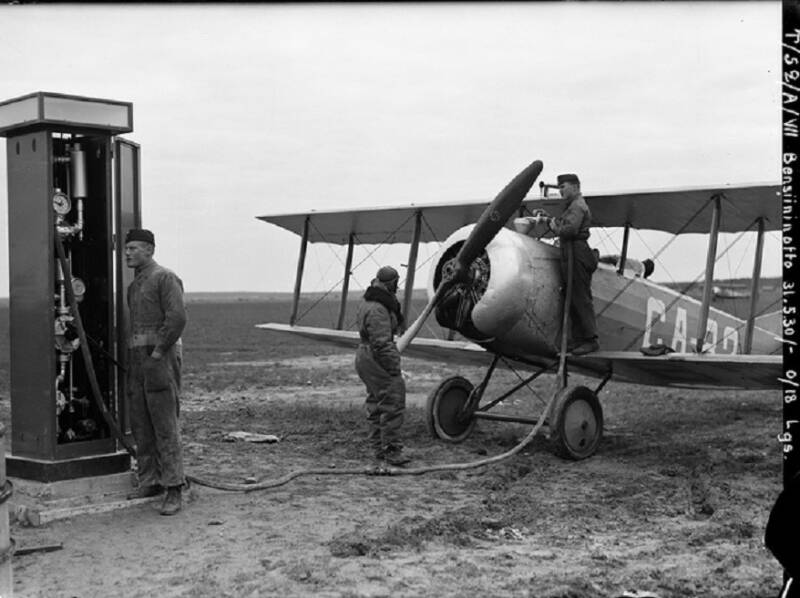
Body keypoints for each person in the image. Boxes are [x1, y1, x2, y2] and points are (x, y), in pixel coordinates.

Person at [124, 228, 188, 515]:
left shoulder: (165, 278)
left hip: (160, 358)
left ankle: (173, 488)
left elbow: (177, 319)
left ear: (149, 250)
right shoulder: (134, 286)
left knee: (164, 423)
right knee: (141, 422)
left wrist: (159, 352)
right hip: (139, 361)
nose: (127, 253)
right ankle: (149, 480)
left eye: (133, 248)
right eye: (126, 248)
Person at [354, 266, 410, 466]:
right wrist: (394, 366)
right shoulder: (378, 308)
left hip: (365, 355)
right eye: (396, 283)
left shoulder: (368, 301)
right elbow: (381, 343)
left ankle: (378, 448)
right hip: (375, 356)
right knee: (393, 400)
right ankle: (392, 450)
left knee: (376, 402)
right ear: (391, 283)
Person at [546, 173, 600, 356]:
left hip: (577, 252)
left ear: (575, 187)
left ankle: (590, 340)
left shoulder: (577, 206)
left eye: (563, 187)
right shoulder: (573, 206)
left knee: (580, 296)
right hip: (570, 252)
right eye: (559, 187)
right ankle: (577, 340)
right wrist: (552, 221)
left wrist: (554, 227)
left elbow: (569, 230)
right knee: (572, 296)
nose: (560, 190)